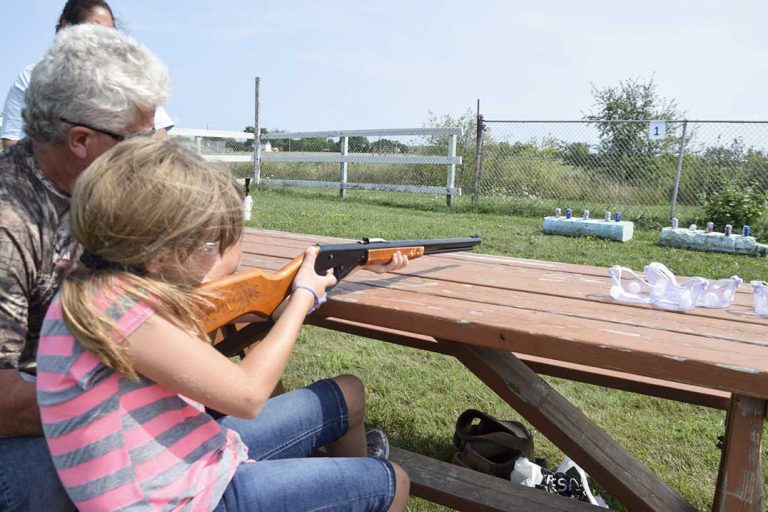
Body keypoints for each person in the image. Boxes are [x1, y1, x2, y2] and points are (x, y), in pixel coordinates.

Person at [36, 138, 411, 511]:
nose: (225, 248)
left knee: (349, 394)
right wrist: (303, 297)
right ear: (163, 252)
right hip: (182, 500)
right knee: (391, 481)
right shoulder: (119, 310)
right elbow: (247, 396)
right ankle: (362, 489)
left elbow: (220, 283)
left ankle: (346, 487)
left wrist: (354, 261)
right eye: (213, 239)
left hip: (194, 458)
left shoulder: (98, 284)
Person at [0, 24, 170, 511]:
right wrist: (138, 396)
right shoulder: (10, 226)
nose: (150, 154)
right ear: (80, 141)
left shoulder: (97, 188)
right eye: (138, 139)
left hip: (79, 394)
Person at [1, 0, 174, 149]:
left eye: (110, 32)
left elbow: (159, 132)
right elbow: (11, 139)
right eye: (95, 29)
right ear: (66, 27)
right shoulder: (32, 76)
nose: (105, 39)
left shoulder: (128, 78)